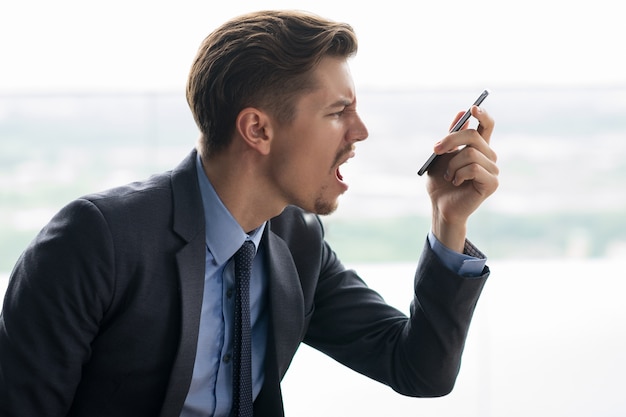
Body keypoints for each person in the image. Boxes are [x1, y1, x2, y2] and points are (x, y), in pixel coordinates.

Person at [0, 9, 499, 417]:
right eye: (336, 112)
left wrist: (447, 220)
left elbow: (419, 368)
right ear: (257, 130)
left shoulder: (297, 241)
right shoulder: (97, 241)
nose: (360, 131)